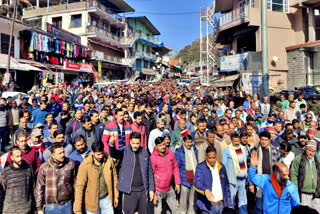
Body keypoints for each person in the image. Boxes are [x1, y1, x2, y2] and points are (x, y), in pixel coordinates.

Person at [109, 132, 155, 214]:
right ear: (129, 141)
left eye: (137, 143)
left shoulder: (144, 152)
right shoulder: (124, 150)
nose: (135, 145)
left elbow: (149, 171)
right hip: (129, 191)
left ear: (140, 142)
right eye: (133, 143)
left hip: (143, 191)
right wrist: (112, 144)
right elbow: (114, 153)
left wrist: (151, 189)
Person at [74, 142, 119, 214]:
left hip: (106, 199)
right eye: (98, 154)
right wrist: (78, 209)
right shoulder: (85, 165)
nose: (100, 156)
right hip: (91, 202)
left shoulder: (108, 160)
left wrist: (116, 196)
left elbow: (114, 178)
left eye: (102, 153)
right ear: (93, 152)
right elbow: (79, 186)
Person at [35, 142, 76, 214]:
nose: (63, 154)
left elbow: (75, 184)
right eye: (59, 153)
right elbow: (39, 188)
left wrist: (77, 203)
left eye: (63, 152)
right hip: (51, 206)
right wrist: (39, 208)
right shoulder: (44, 167)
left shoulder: (70, 164)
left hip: (67, 204)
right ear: (53, 155)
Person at [194, 145, 232, 214]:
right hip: (207, 207)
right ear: (206, 156)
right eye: (210, 158)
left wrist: (228, 203)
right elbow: (197, 183)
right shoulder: (200, 167)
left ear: (216, 156)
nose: (212, 160)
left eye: (214, 158)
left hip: (221, 206)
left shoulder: (221, 167)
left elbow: (226, 186)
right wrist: (205, 190)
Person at [249, 131, 280, 214]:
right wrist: (251, 184)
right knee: (259, 203)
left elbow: (279, 167)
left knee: (270, 203)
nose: (263, 142)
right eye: (262, 139)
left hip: (271, 180)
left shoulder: (275, 151)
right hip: (259, 179)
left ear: (269, 140)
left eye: (266, 140)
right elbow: (250, 167)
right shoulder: (254, 150)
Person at [1, 146, 35, 214]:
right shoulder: (6, 172)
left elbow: (33, 188)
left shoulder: (28, 169)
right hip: (10, 210)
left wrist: (36, 207)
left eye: (21, 155)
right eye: (17, 156)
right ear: (12, 158)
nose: (20, 158)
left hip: (26, 210)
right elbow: (2, 191)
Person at [150, 137, 180, 214]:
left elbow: (175, 168)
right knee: (158, 211)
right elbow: (151, 175)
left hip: (169, 188)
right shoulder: (153, 158)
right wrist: (153, 193)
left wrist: (177, 183)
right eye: (160, 145)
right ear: (156, 146)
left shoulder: (170, 153)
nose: (163, 147)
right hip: (158, 190)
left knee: (175, 210)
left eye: (163, 144)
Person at [222, 133, 248, 214]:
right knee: (231, 201)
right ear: (231, 141)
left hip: (242, 179)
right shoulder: (227, 150)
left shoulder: (243, 149)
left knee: (243, 201)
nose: (236, 143)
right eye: (234, 141)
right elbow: (224, 165)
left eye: (238, 141)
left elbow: (246, 161)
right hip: (232, 180)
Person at [291, 140, 320, 211]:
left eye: (313, 151)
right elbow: (293, 174)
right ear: (306, 149)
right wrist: (296, 189)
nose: (311, 153)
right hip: (303, 193)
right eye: (309, 150)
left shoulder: (318, 160)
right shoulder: (298, 159)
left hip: (316, 194)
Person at [175, 134, 198, 214]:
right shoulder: (179, 152)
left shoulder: (195, 150)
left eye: (190, 142)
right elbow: (176, 167)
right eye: (187, 142)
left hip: (194, 179)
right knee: (183, 203)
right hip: (185, 180)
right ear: (183, 142)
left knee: (192, 203)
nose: (189, 144)